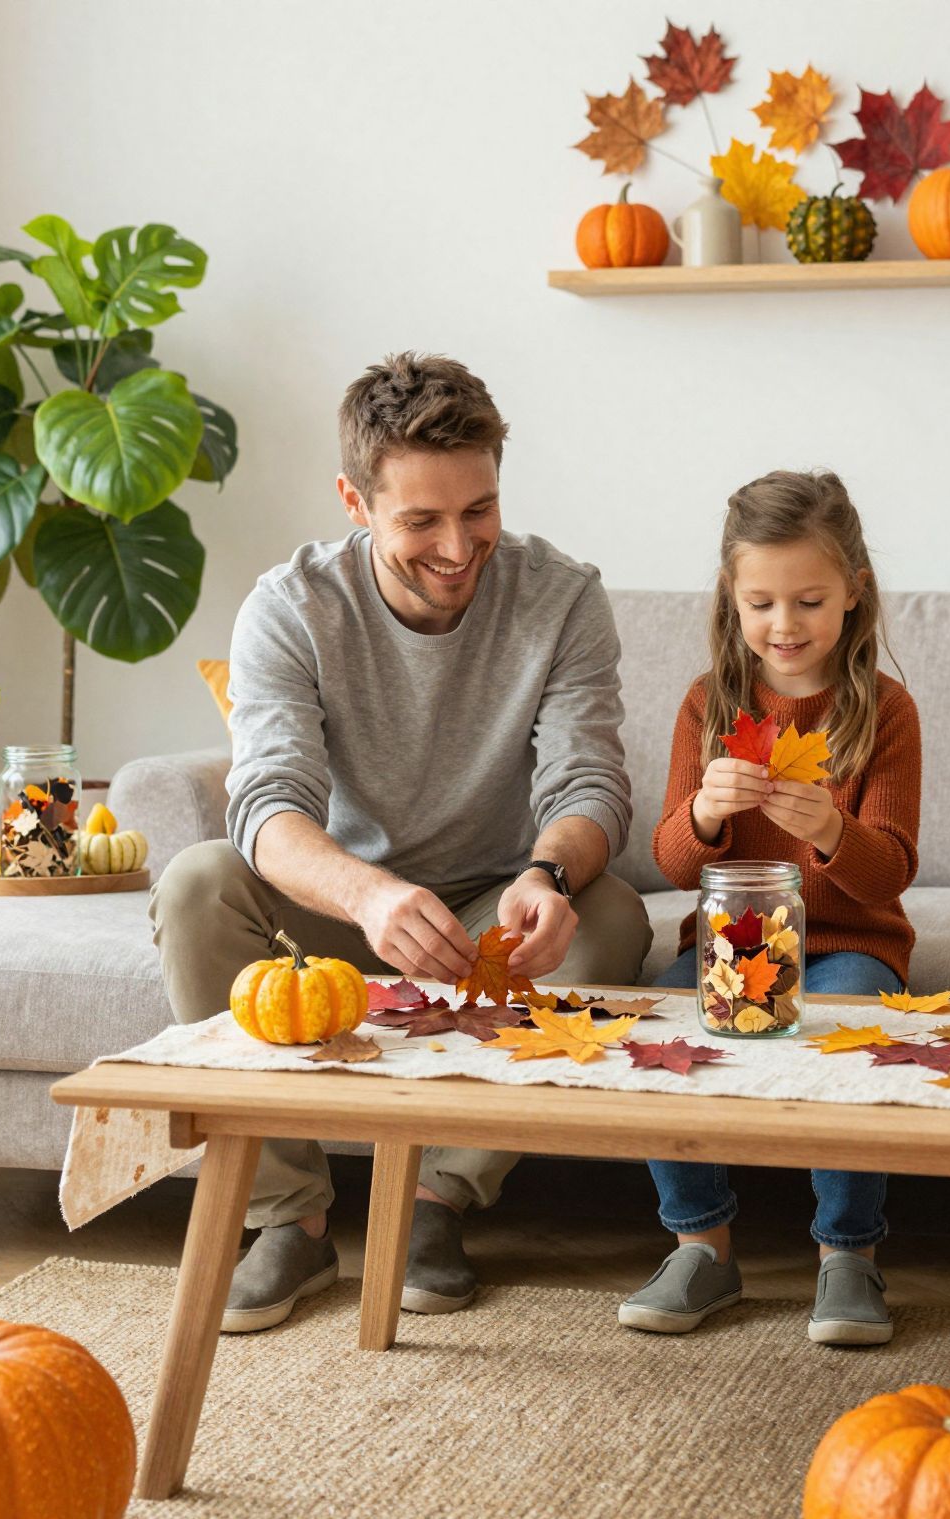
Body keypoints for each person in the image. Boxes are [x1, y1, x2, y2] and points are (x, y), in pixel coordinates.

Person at [152, 351, 652, 1333]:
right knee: (196, 882)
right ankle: (288, 1218)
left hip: (492, 909)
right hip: (336, 907)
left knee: (611, 917)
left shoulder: (561, 597)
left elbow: (588, 781)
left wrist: (548, 874)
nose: (459, 548)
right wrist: (369, 895)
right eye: (422, 520)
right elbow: (267, 806)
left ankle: (437, 1200)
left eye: (480, 510)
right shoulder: (290, 607)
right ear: (355, 502)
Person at [616, 470, 922, 1347]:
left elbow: (889, 874)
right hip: (728, 942)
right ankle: (700, 1246)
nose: (784, 625)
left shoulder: (884, 710)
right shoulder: (708, 704)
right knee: (663, 1028)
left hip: (848, 942)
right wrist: (706, 815)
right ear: (731, 596)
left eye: (809, 602)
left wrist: (831, 830)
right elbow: (672, 862)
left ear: (854, 593)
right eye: (761, 604)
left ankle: (849, 1254)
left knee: (851, 1029)